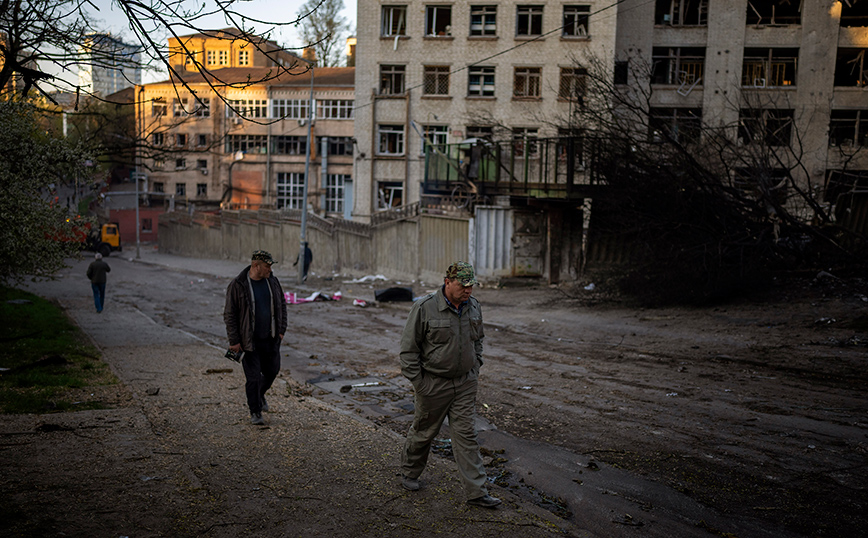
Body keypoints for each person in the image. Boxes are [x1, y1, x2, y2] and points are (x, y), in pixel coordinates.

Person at [399, 261, 501, 508]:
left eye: (471, 286)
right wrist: (421, 385)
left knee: (467, 435)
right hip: (433, 384)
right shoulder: (424, 308)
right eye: (463, 285)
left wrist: (475, 366)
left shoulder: (473, 307)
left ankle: (476, 492)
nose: (468, 290)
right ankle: (409, 472)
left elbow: (478, 340)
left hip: (465, 384)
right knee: (424, 432)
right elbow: (408, 351)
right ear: (448, 282)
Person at [223, 250, 287, 425]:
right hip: (248, 342)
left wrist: (281, 330)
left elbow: (282, 304)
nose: (269, 269)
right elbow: (230, 315)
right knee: (253, 378)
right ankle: (255, 411)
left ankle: (259, 395)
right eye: (267, 266)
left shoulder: (272, 281)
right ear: (255, 266)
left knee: (272, 371)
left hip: (271, 339)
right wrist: (234, 341)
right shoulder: (238, 285)